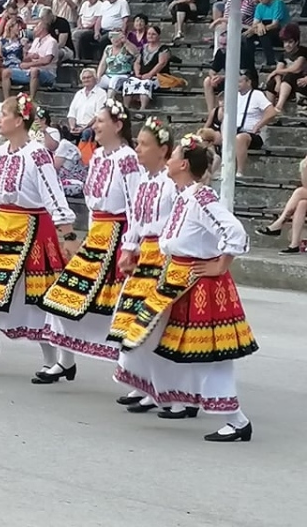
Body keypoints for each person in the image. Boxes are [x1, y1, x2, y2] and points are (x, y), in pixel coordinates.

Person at [119, 133, 258, 442]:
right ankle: (174, 397)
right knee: (163, 342)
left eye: (173, 156)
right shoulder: (184, 196)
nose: (168, 160)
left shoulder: (200, 197)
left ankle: (235, 420)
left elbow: (233, 230)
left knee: (212, 355)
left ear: (183, 164)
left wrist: (220, 264)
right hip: (180, 281)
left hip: (202, 284)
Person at [0, 93, 76, 371]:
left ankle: (56, 361)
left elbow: (54, 195)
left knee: (37, 296)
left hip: (32, 228)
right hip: (1, 227)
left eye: (3, 115)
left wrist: (67, 234)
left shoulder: (37, 155)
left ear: (20, 120)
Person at [38, 99, 141, 383]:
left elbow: (134, 207)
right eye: (95, 120)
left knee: (122, 306)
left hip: (119, 236)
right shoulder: (97, 156)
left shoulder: (128, 158)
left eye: (101, 121)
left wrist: (132, 247)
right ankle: (64, 361)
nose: (95, 125)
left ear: (118, 125)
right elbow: (95, 206)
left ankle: (133, 371)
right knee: (63, 296)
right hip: (97, 235)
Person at [107, 117, 179, 413]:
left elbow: (175, 223)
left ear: (163, 150)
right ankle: (146, 384)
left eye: (144, 144)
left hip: (163, 256)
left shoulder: (170, 184)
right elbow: (136, 219)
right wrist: (129, 249)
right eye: (137, 143)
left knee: (155, 324)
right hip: (144, 257)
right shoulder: (144, 180)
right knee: (132, 319)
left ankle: (166, 390)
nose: (137, 148)